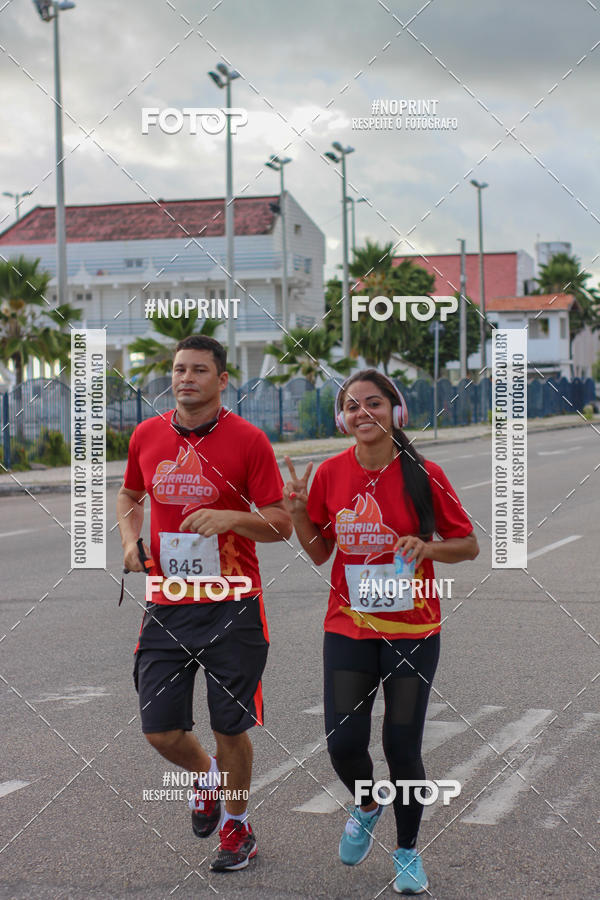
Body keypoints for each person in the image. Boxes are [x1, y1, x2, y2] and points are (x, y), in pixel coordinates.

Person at [283, 370, 478, 894]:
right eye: (351, 406)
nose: (362, 413)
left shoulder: (425, 473)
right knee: (344, 744)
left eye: (373, 403)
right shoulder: (328, 474)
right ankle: (367, 805)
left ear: (397, 411)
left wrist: (427, 548)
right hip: (348, 628)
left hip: (413, 631)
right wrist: (300, 515)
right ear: (342, 419)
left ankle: (409, 852)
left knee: (402, 746)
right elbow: (323, 552)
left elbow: (468, 545)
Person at [117, 335, 292, 872]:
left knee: (229, 726)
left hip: (232, 604)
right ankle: (206, 777)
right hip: (167, 604)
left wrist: (230, 518)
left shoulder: (249, 441)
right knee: (160, 730)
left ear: (222, 380)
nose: (185, 377)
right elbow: (129, 495)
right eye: (178, 369)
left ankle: (237, 830)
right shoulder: (147, 435)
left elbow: (281, 523)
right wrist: (129, 541)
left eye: (198, 370)